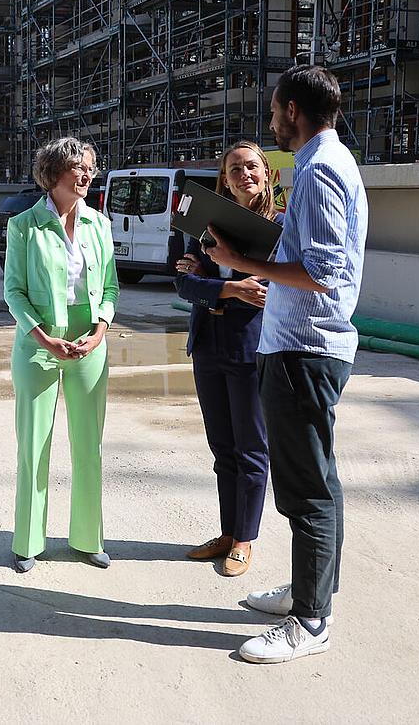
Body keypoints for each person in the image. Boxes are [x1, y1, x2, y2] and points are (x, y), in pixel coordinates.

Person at [205, 65, 367, 664]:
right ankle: (312, 590)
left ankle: (310, 621)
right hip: (301, 347)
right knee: (316, 480)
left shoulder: (321, 169)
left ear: (292, 111)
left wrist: (242, 265)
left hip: (304, 350)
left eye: (275, 110)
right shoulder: (326, 162)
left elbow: (323, 273)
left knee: (305, 489)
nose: (271, 120)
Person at [4, 137, 119, 573]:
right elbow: (13, 291)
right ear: (52, 175)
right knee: (34, 444)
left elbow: (109, 286)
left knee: (89, 442)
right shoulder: (24, 226)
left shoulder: (99, 224)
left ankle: (88, 538)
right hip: (38, 342)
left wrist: (99, 330)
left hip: (90, 339)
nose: (87, 173)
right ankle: (28, 542)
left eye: (90, 166)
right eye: (78, 167)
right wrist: (43, 337)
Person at [175, 140, 282, 577]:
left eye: (251, 166)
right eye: (234, 168)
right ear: (225, 179)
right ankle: (226, 532)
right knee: (221, 446)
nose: (244, 174)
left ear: (267, 174)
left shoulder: (281, 227)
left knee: (250, 447)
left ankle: (244, 539)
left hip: (249, 346)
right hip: (207, 344)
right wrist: (227, 287)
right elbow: (182, 282)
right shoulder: (207, 224)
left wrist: (222, 285)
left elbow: (271, 290)